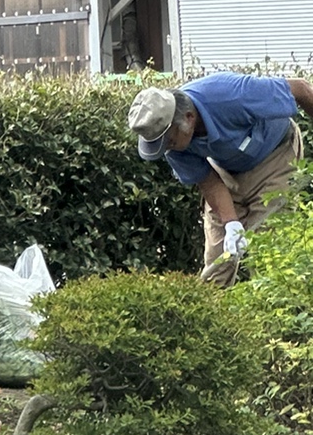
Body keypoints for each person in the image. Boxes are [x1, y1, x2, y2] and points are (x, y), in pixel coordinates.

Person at [128, 74, 313, 285]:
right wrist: (231, 222)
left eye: (169, 142)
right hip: (226, 168)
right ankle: (214, 312)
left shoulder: (231, 95)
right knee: (217, 261)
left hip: (275, 156)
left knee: (267, 253)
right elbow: (208, 181)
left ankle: (274, 314)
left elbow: (301, 89)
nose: (167, 150)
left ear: (188, 119)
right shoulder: (173, 146)